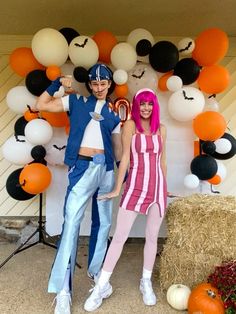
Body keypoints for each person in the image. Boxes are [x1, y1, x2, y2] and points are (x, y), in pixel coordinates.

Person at [36, 63, 121, 314]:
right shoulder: (76, 102)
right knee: (71, 224)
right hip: (82, 168)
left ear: (109, 84)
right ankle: (63, 291)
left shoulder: (114, 112)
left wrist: (120, 179)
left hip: (105, 170)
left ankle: (98, 279)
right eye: (94, 84)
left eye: (103, 84)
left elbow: (117, 148)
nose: (98, 88)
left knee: (103, 224)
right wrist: (56, 85)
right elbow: (42, 105)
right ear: (90, 84)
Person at [84, 88, 167, 312]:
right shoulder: (130, 125)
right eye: (142, 104)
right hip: (135, 187)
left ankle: (145, 281)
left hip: (157, 188)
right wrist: (117, 188)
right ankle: (101, 285)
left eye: (150, 104)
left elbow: (162, 161)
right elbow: (126, 159)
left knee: (152, 238)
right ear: (137, 105)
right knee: (119, 237)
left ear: (155, 105)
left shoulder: (161, 129)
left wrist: (165, 188)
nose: (146, 108)